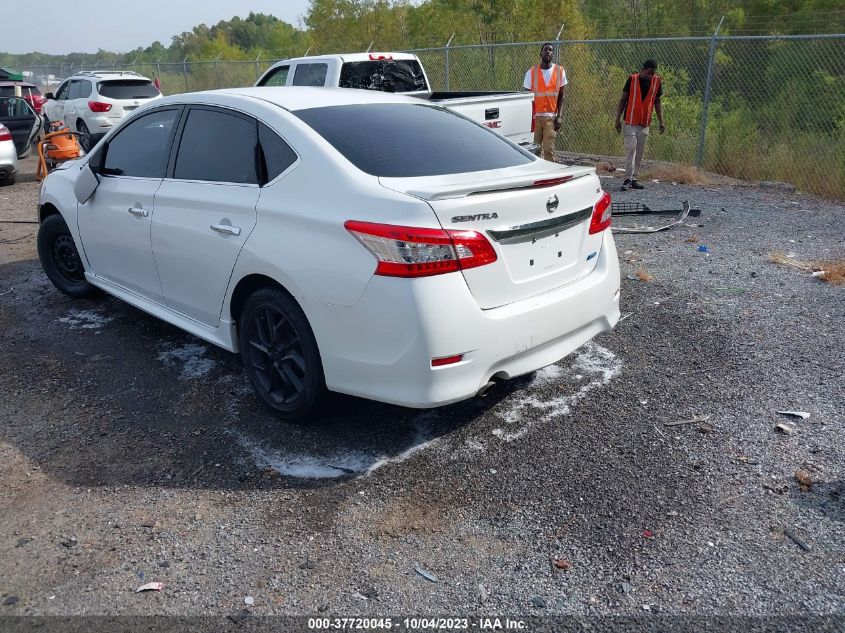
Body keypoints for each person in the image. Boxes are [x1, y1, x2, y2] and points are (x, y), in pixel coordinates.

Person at [614, 59, 665, 190]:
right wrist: (617, 119)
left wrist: (661, 121)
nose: (651, 75)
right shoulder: (632, 79)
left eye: (653, 73)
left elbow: (657, 102)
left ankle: (634, 178)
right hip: (630, 121)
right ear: (644, 69)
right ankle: (627, 179)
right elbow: (623, 100)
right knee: (631, 149)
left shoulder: (656, 81)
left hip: (644, 123)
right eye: (649, 72)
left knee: (639, 152)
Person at [524, 43, 568, 162]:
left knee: (549, 149)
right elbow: (526, 98)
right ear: (540, 53)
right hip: (535, 118)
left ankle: (550, 173)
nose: (548, 52)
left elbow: (562, 95)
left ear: (553, 54)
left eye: (550, 50)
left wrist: (559, 116)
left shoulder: (560, 71)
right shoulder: (531, 72)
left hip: (551, 118)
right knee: (536, 150)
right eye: (545, 50)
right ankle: (537, 174)